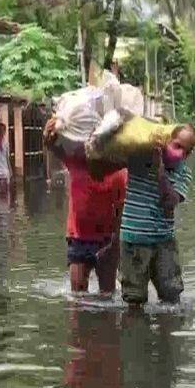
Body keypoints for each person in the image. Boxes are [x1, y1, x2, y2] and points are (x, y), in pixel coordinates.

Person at [43, 117, 128, 298]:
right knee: (77, 299)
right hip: (78, 239)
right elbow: (52, 146)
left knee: (107, 297)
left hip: (107, 241)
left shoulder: (118, 172)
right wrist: (48, 133)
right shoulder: (77, 162)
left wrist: (115, 245)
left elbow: (120, 213)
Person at [119, 124, 195, 308]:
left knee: (172, 298)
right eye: (177, 146)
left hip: (164, 242)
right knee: (134, 301)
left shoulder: (183, 172)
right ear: (166, 141)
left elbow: (169, 203)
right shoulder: (138, 158)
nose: (180, 153)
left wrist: (160, 171)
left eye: (185, 151)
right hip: (134, 241)